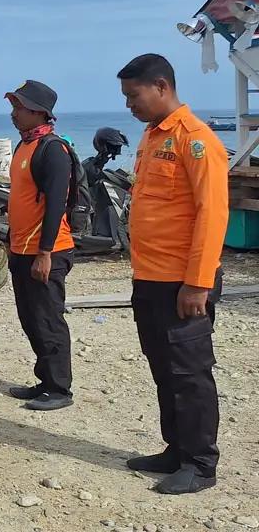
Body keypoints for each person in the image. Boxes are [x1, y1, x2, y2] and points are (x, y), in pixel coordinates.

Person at [118, 53, 228, 495]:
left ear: (161, 86)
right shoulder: (150, 137)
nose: (129, 104)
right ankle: (176, 448)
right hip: (150, 276)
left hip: (184, 281)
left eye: (134, 95)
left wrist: (198, 282)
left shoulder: (196, 140)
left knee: (189, 373)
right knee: (163, 367)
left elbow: (212, 213)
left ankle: (200, 463)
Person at [2, 80, 75, 412]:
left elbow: (56, 205)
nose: (14, 114)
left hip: (47, 250)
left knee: (48, 318)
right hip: (21, 248)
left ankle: (60, 387)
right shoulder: (23, 146)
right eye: (14, 107)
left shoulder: (52, 150)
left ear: (38, 112)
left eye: (20, 108)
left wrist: (45, 253)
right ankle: (45, 379)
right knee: (30, 318)